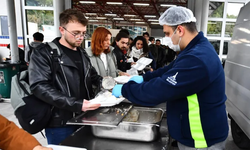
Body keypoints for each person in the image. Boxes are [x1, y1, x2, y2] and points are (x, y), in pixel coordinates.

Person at [112, 6, 228, 150]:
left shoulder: (197, 58)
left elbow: (160, 90)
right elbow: (169, 70)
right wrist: (143, 78)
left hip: (201, 139)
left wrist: (125, 90)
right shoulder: (193, 50)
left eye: (167, 33)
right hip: (193, 132)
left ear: (180, 30)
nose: (166, 38)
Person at [29, 9, 102, 145]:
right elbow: (39, 86)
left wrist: (108, 84)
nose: (80, 37)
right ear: (61, 30)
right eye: (75, 33)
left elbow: (93, 76)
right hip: (60, 122)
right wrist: (76, 104)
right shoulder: (44, 53)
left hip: (84, 117)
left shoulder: (82, 53)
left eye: (83, 33)